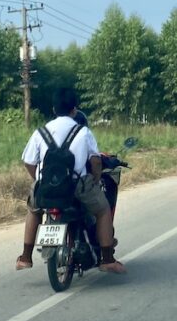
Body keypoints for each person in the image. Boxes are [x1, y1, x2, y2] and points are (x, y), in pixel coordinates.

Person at [16, 87, 125, 274]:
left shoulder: (40, 132)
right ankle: (107, 259)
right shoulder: (83, 132)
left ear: (53, 109)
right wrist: (94, 178)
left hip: (47, 186)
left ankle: (25, 257)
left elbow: (28, 162)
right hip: (79, 186)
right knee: (103, 210)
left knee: (34, 211)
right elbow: (96, 161)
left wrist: (39, 180)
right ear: (74, 110)